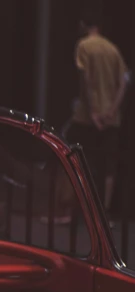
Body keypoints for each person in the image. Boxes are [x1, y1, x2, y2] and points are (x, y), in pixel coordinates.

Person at [67, 8, 129, 214]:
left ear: (84, 25)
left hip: (86, 116)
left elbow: (85, 81)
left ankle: (80, 208)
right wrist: (112, 110)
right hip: (111, 117)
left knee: (78, 158)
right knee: (109, 164)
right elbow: (124, 82)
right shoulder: (113, 49)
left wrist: (93, 111)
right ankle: (105, 211)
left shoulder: (83, 46)